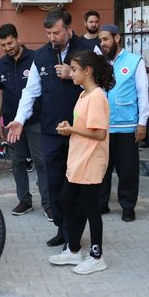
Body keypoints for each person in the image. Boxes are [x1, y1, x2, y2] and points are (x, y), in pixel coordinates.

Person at [6, 8, 100, 247]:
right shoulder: (41, 56)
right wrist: (20, 119)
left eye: (57, 32)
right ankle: (62, 228)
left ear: (69, 28)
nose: (52, 38)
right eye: (48, 33)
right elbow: (31, 92)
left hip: (80, 132)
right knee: (54, 183)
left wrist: (72, 75)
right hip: (51, 131)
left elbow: (104, 86)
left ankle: (74, 235)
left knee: (77, 186)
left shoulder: (89, 51)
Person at [49, 50, 113, 275]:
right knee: (67, 200)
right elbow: (85, 126)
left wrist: (72, 129)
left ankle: (97, 255)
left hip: (91, 160)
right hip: (78, 159)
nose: (71, 73)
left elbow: (99, 134)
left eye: (74, 69)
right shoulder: (83, 95)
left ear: (88, 71)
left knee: (90, 208)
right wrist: (70, 127)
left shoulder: (97, 96)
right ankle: (74, 249)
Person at [0, 24, 50, 218]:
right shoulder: (0, 64)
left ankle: (48, 203)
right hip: (11, 123)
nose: (8, 47)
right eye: (3, 45)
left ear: (17, 38)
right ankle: (24, 201)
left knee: (41, 162)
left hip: (35, 121)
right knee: (17, 163)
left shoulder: (36, 58)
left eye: (10, 42)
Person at [97, 24, 149, 222]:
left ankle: (128, 206)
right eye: (100, 40)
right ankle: (102, 203)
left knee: (127, 169)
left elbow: (142, 93)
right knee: (103, 168)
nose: (102, 43)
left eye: (106, 39)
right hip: (103, 126)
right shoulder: (99, 63)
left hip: (127, 126)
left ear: (117, 38)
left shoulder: (135, 61)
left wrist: (142, 122)